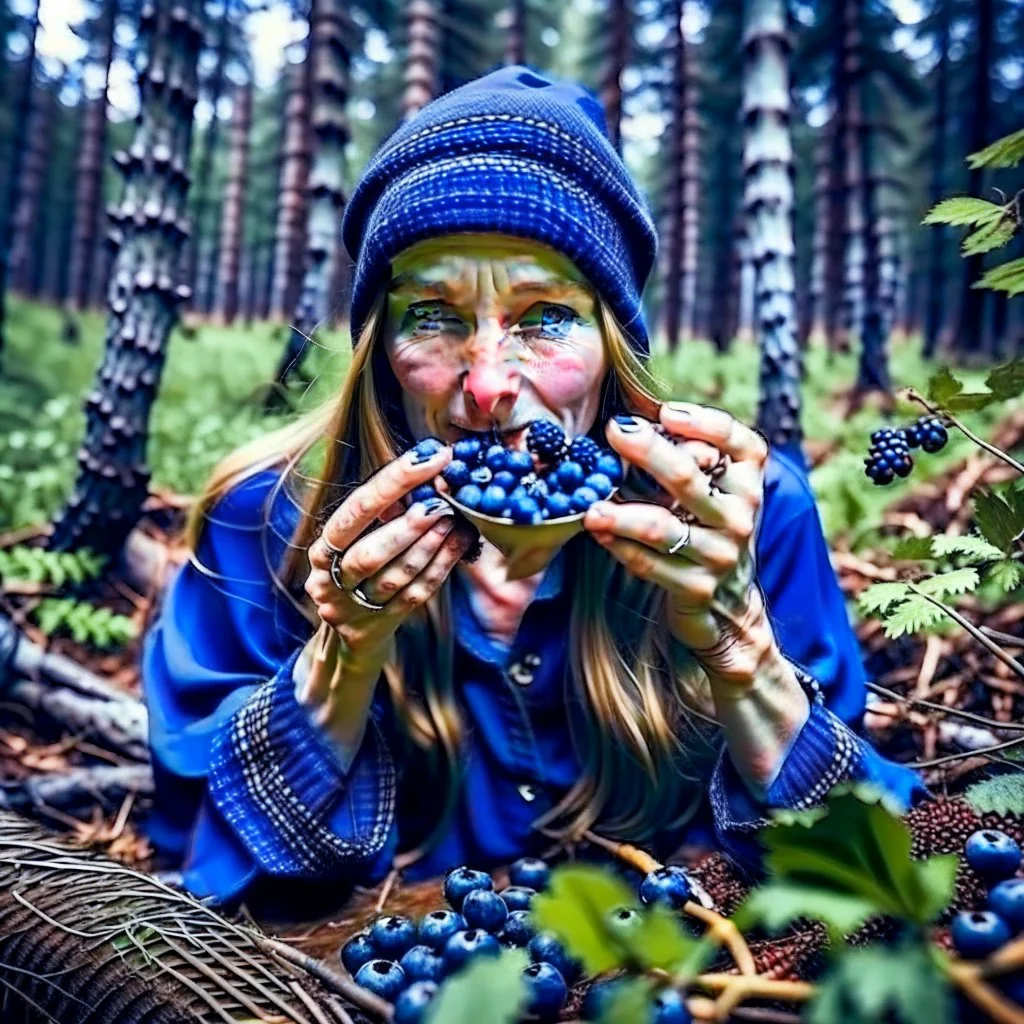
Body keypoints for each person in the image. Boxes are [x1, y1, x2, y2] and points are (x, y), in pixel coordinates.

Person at [142, 65, 924, 915]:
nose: (486, 388)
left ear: (613, 341)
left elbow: (866, 877)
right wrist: (341, 662)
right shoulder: (265, 518)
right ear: (379, 345)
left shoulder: (743, 520)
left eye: (545, 315)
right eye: (433, 315)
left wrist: (738, 651)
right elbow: (196, 876)